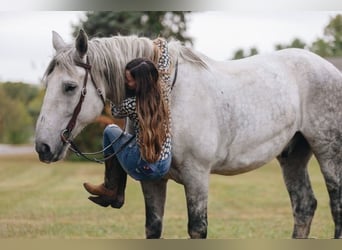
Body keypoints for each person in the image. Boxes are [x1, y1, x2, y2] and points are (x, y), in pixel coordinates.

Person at [83, 38, 172, 208]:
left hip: (142, 167)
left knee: (110, 130)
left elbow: (115, 111)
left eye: (129, 80)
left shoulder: (132, 105)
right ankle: (113, 191)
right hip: (164, 165)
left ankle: (112, 188)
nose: (126, 82)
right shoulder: (165, 91)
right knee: (127, 137)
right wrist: (162, 44)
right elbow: (164, 64)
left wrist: (111, 89)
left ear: (140, 82)